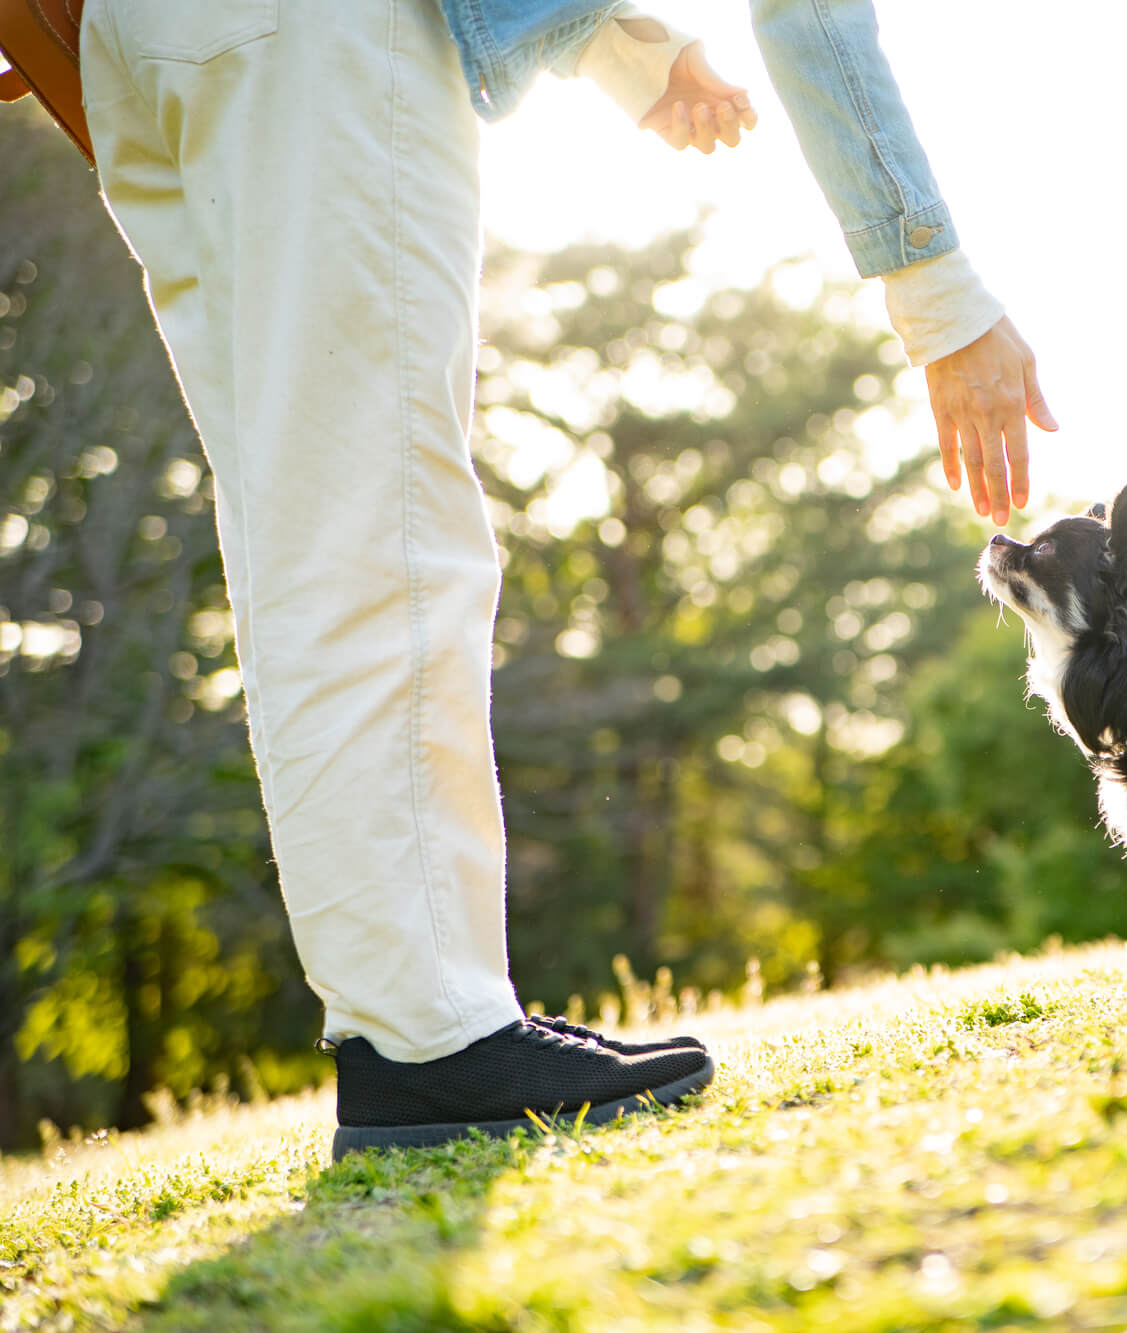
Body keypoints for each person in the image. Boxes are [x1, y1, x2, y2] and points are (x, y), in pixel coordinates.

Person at [77, 0, 1055, 1159]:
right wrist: (936, 294)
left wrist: (621, 52)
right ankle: (430, 1039)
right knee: (378, 530)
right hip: (318, 37)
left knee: (297, 539)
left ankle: (406, 1031)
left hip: (141, 41)